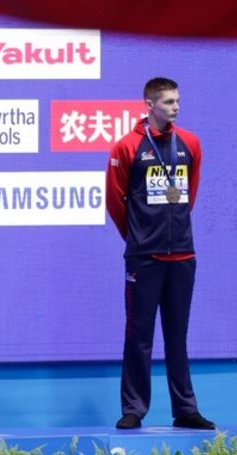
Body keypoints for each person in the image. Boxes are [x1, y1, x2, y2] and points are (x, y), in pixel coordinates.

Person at [106, 77, 214, 430]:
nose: (176, 107)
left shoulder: (191, 144)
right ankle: (134, 408)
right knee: (139, 336)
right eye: (168, 102)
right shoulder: (126, 147)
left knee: (177, 336)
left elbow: (188, 196)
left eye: (178, 101)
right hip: (144, 258)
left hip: (182, 257)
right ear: (149, 105)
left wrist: (174, 231)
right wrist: (139, 238)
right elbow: (115, 201)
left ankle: (185, 409)